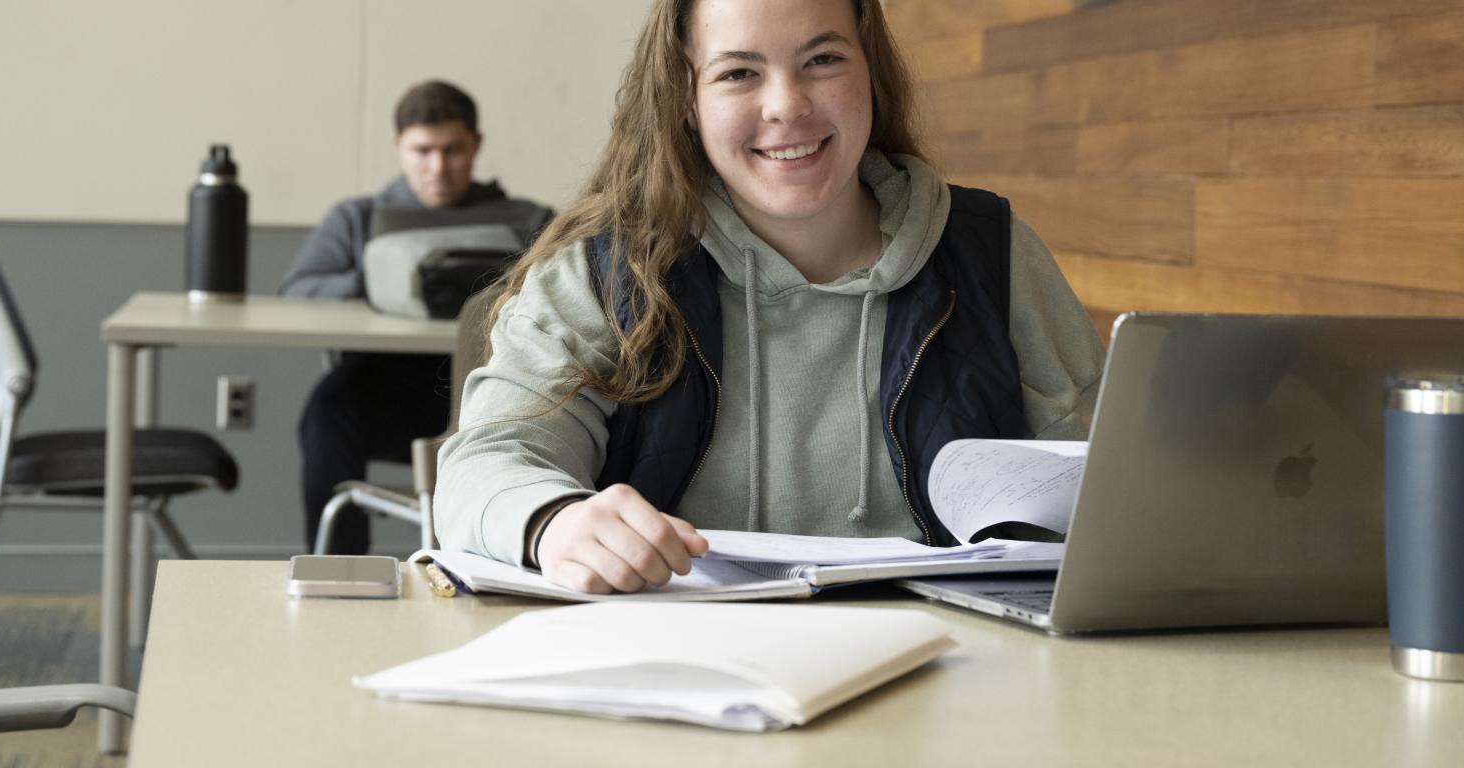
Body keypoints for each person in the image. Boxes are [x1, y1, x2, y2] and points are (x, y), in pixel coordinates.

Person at [435, 0, 1103, 593]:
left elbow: (1110, 489)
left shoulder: (994, 253)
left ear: (870, 73)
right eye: (738, 72)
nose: (787, 104)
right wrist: (552, 523)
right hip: (690, 684)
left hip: (955, 684)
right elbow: (484, 465)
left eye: (823, 58)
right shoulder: (605, 275)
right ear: (686, 102)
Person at [283, 80, 553, 554]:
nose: (438, 168)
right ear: (398, 147)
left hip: (494, 386)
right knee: (326, 412)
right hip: (388, 389)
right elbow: (299, 291)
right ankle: (337, 573)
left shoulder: (528, 220)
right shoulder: (358, 219)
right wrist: (375, 285)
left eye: (452, 150)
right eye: (422, 151)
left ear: (476, 144)